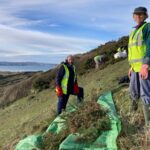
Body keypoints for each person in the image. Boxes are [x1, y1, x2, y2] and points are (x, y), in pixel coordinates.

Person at [128, 7, 150, 126]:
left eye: (141, 15)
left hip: (144, 67)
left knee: (146, 93)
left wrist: (146, 64)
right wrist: (131, 66)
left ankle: (148, 125)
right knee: (133, 91)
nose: (138, 17)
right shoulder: (134, 32)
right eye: (136, 15)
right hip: (135, 68)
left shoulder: (147, 28)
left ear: (144, 16)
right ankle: (132, 116)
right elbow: (134, 51)